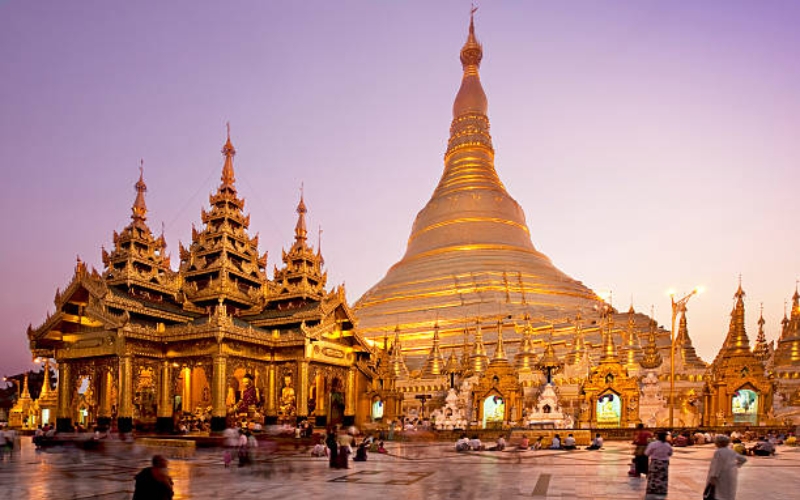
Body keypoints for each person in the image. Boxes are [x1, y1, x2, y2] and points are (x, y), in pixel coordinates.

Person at [706, 434, 747, 500]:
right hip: (732, 474)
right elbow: (743, 459)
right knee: (730, 493)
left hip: (721, 475)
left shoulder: (718, 452)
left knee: (720, 494)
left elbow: (717, 465)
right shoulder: (731, 451)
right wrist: (735, 465)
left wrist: (713, 477)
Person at [645, 431, 673, 496]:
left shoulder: (653, 444)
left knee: (653, 476)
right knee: (663, 477)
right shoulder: (667, 445)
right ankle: (662, 490)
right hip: (664, 463)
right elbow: (670, 453)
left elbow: (647, 453)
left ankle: (652, 489)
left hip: (655, 462)